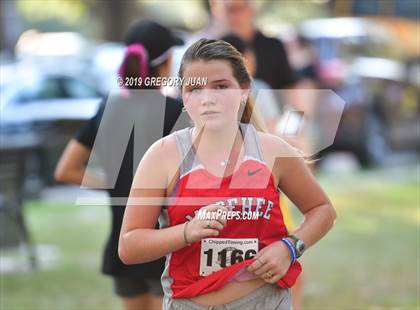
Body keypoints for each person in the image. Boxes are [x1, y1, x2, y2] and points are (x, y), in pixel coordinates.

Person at [119, 38, 336, 310]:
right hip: (190, 304)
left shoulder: (272, 150)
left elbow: (322, 209)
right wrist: (187, 231)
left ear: (243, 90)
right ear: (184, 96)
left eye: (221, 86)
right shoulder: (162, 155)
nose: (208, 98)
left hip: (266, 301)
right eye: (195, 88)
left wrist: (290, 248)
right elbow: (129, 246)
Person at [55, 20, 185, 310]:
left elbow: (66, 169)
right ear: (164, 64)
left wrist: (116, 181)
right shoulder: (177, 113)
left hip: (122, 244)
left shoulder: (106, 108)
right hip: (163, 244)